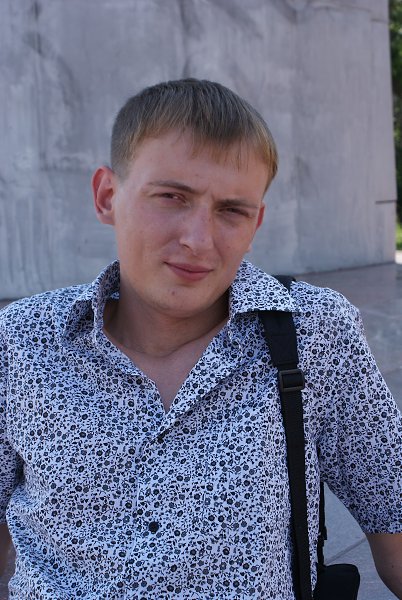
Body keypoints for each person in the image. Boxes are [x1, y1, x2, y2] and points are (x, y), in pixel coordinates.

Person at [0, 78, 401, 599]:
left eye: (231, 210)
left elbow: (393, 516)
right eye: (171, 197)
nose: (197, 239)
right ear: (107, 196)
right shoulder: (22, 341)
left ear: (256, 223)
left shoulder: (315, 333)